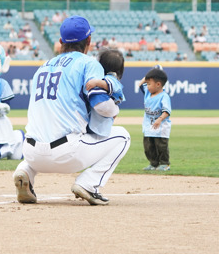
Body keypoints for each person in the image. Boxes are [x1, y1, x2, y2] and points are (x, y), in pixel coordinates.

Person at [12, 16, 131, 206]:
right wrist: (115, 108)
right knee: (123, 136)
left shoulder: (42, 68)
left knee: (39, 143)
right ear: (89, 41)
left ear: (60, 42)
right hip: (67, 153)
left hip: (31, 152)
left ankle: (26, 171)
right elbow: (101, 106)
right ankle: (88, 184)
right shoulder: (88, 63)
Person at [138, 67, 172, 171]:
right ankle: (153, 163)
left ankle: (164, 163)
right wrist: (149, 75)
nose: (147, 86)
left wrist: (160, 119)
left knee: (161, 146)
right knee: (148, 147)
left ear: (158, 84)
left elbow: (166, 111)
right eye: (147, 83)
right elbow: (140, 84)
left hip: (160, 127)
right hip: (149, 126)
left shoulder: (164, 96)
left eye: (149, 84)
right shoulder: (148, 94)